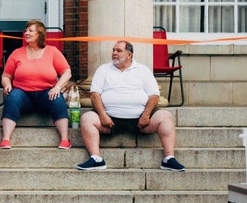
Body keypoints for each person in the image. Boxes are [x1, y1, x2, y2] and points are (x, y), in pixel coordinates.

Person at [75, 39, 184, 172]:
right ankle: (96, 159)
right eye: (113, 50)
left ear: (129, 55)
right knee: (87, 118)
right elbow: (94, 94)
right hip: (109, 119)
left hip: (141, 119)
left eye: (119, 50)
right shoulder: (103, 69)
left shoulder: (142, 70)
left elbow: (154, 95)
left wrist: (146, 115)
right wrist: (103, 115)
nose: (114, 53)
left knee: (166, 116)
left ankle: (169, 159)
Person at [0, 20, 72, 150]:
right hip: (23, 95)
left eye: (30, 30)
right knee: (13, 96)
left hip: (46, 94)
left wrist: (57, 87)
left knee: (57, 98)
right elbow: (6, 75)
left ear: (40, 34)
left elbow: (67, 72)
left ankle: (65, 139)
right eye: (26, 30)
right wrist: (7, 85)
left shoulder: (52, 51)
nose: (26, 33)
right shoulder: (17, 53)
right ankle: (5, 139)